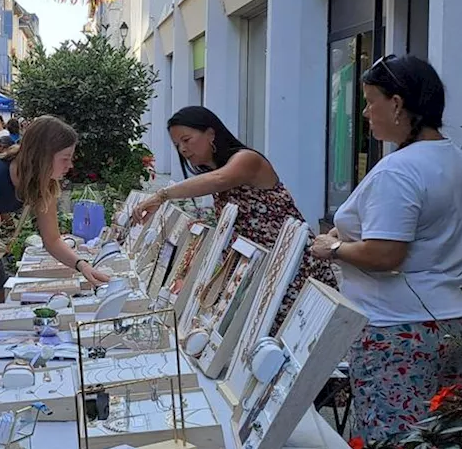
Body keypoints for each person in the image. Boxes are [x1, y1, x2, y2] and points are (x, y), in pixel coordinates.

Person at [307, 55, 462, 442]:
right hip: (449, 317)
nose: (366, 112)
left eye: (371, 101)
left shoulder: (399, 170)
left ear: (397, 103)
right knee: (441, 446)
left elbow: (385, 255)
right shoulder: (451, 158)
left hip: (398, 328)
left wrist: (331, 248)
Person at [132, 105, 337, 314]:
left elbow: (218, 180)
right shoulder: (217, 171)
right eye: (177, 145)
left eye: (186, 140)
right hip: (258, 267)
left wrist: (161, 195)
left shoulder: (246, 159)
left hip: (292, 264)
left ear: (211, 133)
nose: (183, 149)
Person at [0, 116, 118, 312]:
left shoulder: (44, 182)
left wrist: (82, 266)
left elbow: (52, 239)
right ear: (43, 156)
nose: (70, 166)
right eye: (65, 158)